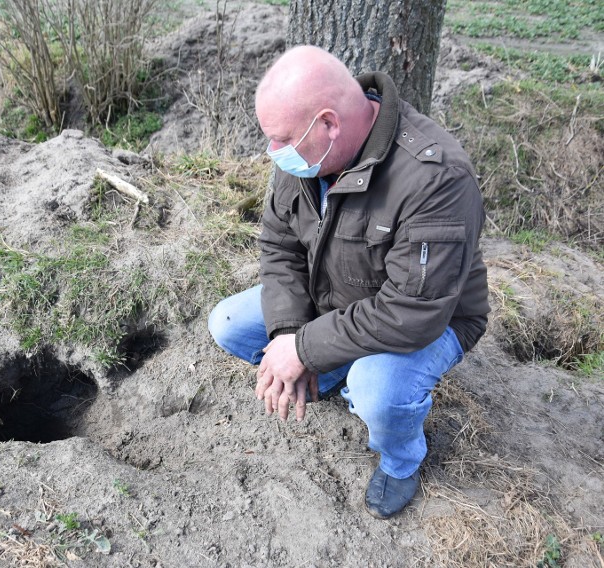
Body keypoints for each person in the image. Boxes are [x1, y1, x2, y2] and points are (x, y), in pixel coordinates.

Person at [208, 46, 490, 519]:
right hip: (336, 298)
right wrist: (287, 333)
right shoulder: (305, 157)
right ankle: (335, 371)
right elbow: (279, 248)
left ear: (328, 124)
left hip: (430, 319)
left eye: (281, 140)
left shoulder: (436, 179)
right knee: (228, 323)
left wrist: (304, 350)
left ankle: (401, 461)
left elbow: (411, 314)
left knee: (377, 392)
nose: (274, 154)